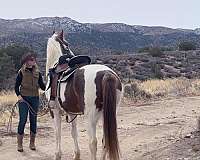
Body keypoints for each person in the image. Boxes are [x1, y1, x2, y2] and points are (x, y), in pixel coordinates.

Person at [14, 52, 46, 152]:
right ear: (26, 61)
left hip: (35, 98)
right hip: (23, 99)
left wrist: (49, 88)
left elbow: (42, 86)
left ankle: (32, 143)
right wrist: (19, 96)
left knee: (33, 120)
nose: (33, 61)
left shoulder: (38, 73)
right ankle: (20, 144)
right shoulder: (21, 72)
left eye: (33, 59)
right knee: (22, 120)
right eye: (30, 59)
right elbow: (16, 86)